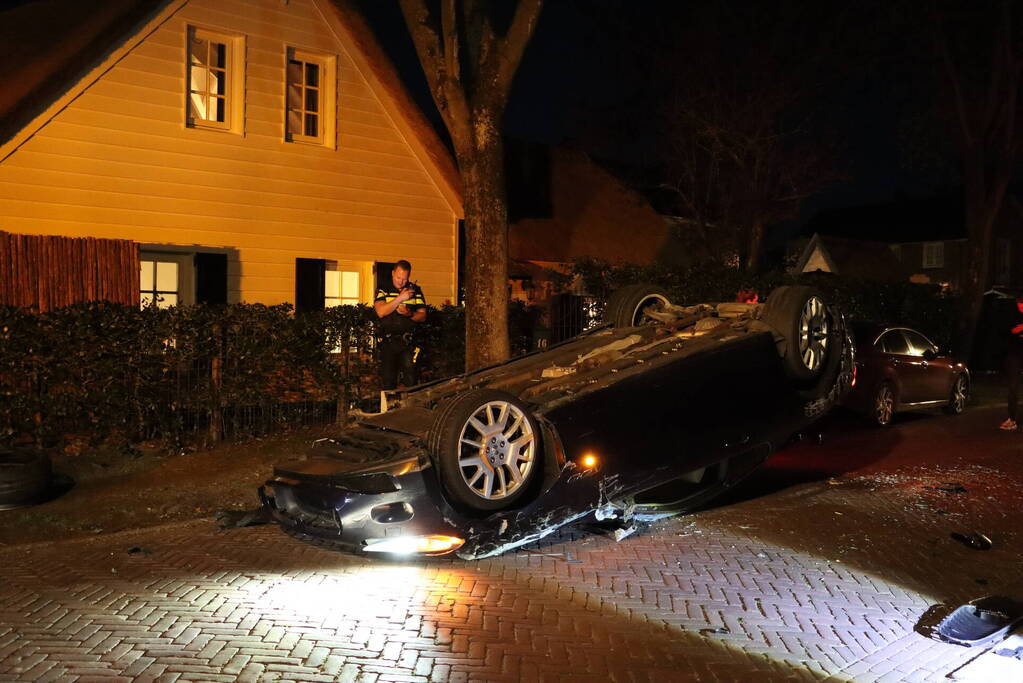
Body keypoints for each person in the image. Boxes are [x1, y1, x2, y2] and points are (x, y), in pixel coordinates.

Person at [374, 260, 426, 403]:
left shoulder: (415, 290)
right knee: (388, 380)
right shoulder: (383, 288)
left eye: (405, 278)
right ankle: (388, 413)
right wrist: (400, 298)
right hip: (388, 342)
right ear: (393, 273)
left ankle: (410, 412)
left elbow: (422, 315)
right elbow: (381, 311)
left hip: (407, 342)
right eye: (398, 278)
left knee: (411, 379)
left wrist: (409, 314)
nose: (401, 282)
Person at [1000, 295, 1023, 430]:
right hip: (1015, 354)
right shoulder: (1012, 317)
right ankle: (1012, 418)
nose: (1020, 307)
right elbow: (1010, 331)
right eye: (1019, 304)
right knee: (1013, 387)